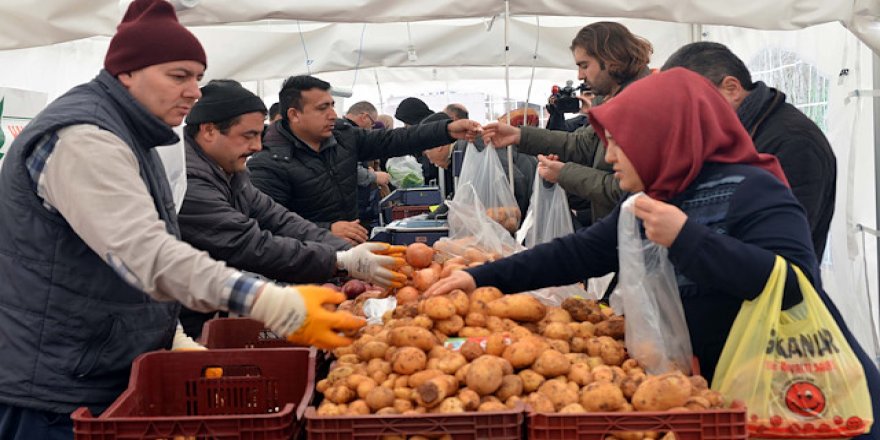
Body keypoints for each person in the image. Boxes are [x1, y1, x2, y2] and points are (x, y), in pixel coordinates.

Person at [423, 69, 880, 432]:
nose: (611, 156)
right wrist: (479, 278)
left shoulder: (753, 190)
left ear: (665, 137)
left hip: (797, 396)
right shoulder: (658, 199)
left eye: (622, 143)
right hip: (721, 395)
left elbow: (794, 284)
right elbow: (576, 253)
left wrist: (688, 238)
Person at [0, 1, 364, 437]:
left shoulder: (140, 135)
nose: (194, 91)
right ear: (127, 73)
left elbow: (125, 253)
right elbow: (144, 253)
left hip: (101, 363)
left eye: (197, 77)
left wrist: (168, 333)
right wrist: (271, 303)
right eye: (179, 76)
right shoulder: (84, 139)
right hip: (57, 386)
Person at [177, 80, 405, 337]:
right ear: (209, 131)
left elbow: (280, 219)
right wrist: (339, 260)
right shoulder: (188, 181)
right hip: (178, 315)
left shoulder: (230, 171)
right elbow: (250, 244)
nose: (257, 146)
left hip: (209, 301)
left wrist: (350, 251)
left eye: (258, 134)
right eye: (248, 135)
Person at [248, 76, 481, 245]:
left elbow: (395, 139)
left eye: (332, 105)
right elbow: (266, 224)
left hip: (350, 254)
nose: (332, 114)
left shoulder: (342, 136)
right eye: (322, 108)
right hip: (301, 267)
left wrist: (447, 130)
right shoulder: (268, 161)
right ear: (294, 115)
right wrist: (326, 230)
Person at [662, 42, 836, 258]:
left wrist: (686, 235)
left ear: (732, 88)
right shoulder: (733, 136)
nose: (687, 117)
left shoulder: (795, 142)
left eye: (691, 104)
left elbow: (781, 244)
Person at [483, 21, 652, 224]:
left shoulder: (641, 106)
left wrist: (564, 173)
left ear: (611, 59)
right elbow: (583, 144)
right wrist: (519, 135)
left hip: (638, 233)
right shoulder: (614, 100)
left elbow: (624, 189)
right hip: (619, 228)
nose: (580, 75)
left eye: (584, 65)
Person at [343, 101, 391, 228]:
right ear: (364, 117)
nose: (372, 127)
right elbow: (347, 167)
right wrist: (374, 176)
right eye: (372, 122)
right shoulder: (345, 134)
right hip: (350, 209)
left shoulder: (347, 132)